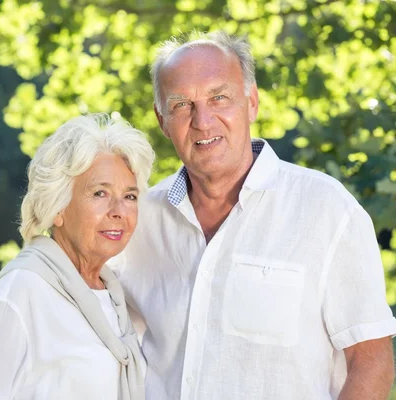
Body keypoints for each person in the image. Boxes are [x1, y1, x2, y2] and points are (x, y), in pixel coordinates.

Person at [110, 31, 396, 399]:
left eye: (219, 98)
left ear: (252, 102)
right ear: (162, 119)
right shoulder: (139, 219)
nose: (203, 121)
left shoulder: (327, 209)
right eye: (182, 105)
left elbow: (371, 358)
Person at [0, 113, 155, 400]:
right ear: (57, 208)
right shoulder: (18, 296)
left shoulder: (118, 299)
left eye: (130, 196)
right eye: (100, 193)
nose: (118, 211)